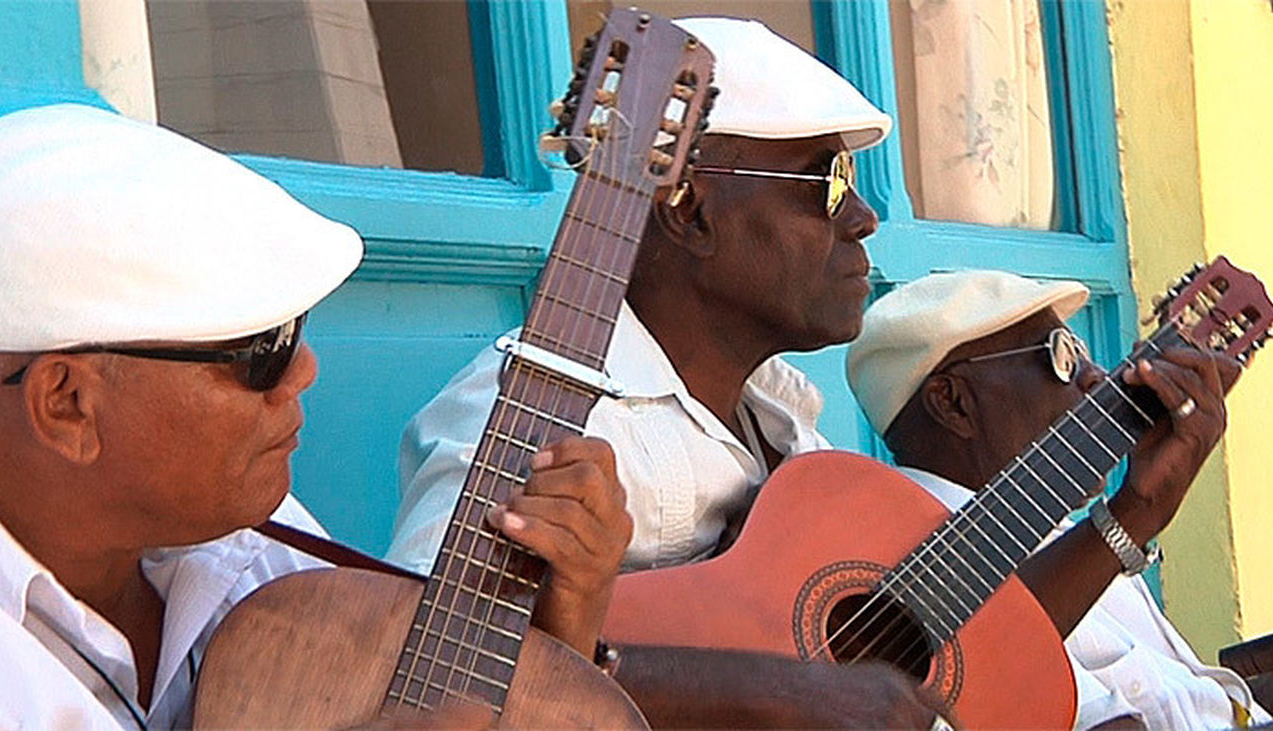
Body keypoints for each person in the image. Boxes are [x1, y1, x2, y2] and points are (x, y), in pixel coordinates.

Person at [0, 103, 630, 728]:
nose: (304, 370)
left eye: (296, 327)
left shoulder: (234, 532)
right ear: (68, 404)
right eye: (264, 349)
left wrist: (564, 624)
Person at [385, 16, 955, 728]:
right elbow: (429, 681)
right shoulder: (528, 423)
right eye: (829, 182)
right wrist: (773, 691)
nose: (865, 217)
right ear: (688, 211)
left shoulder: (782, 419)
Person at [845, 269, 1270, 729]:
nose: (1097, 377)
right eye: (1062, 355)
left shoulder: (1071, 536)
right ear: (953, 403)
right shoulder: (918, 582)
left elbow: (1199, 706)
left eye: (1083, 352)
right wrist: (1135, 515)